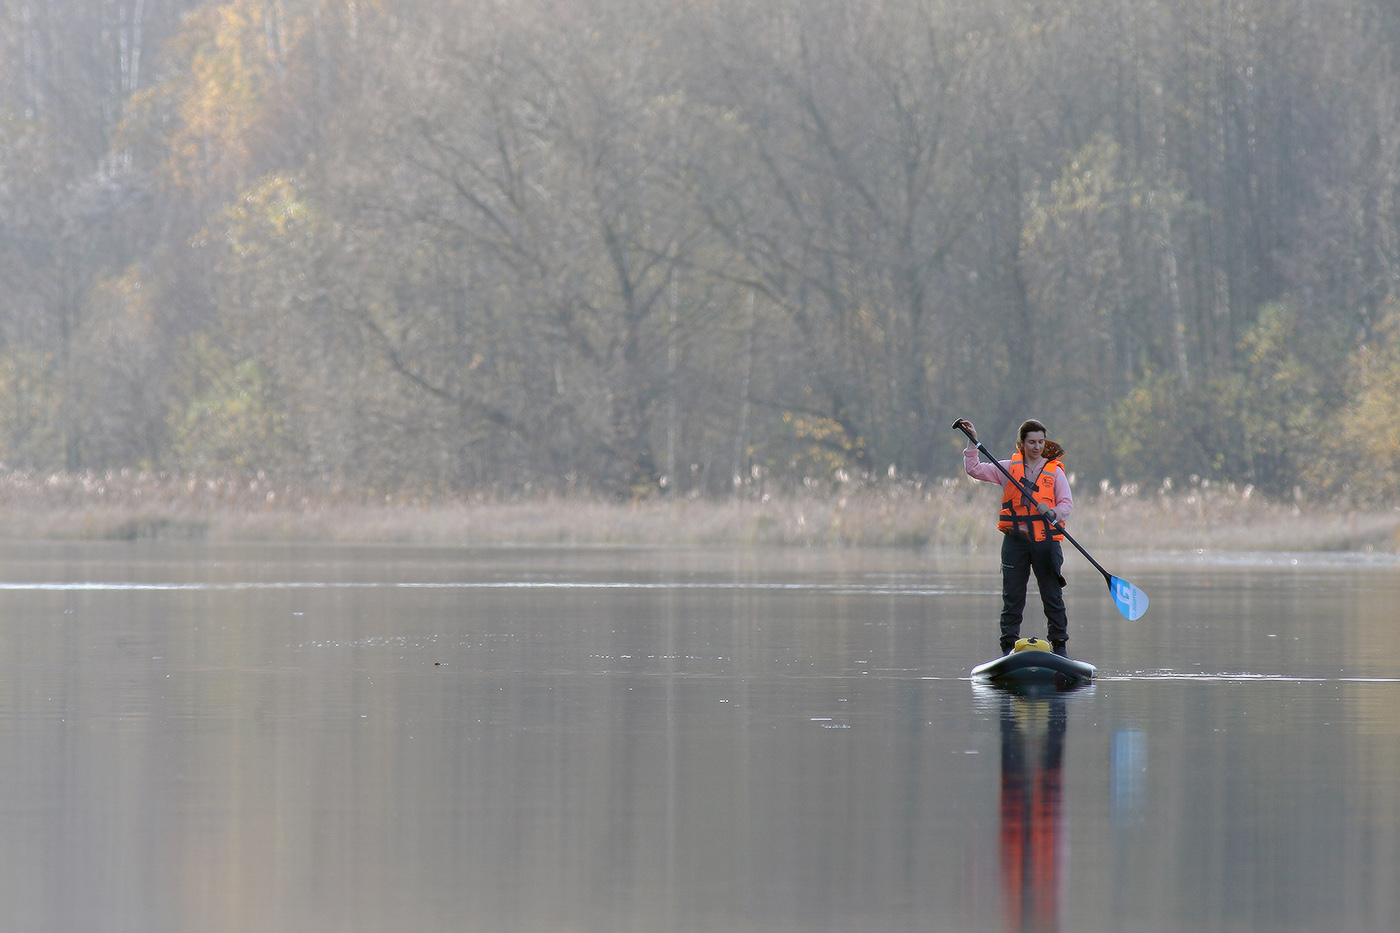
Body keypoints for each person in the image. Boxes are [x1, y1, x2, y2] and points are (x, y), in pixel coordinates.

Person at [959, 419, 1074, 656]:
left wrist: (1052, 511)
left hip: (1045, 542)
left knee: (1052, 596)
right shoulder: (1007, 468)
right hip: (1015, 541)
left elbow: (1066, 505)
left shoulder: (1054, 472)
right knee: (1012, 597)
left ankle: (1059, 645)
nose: (1037, 447)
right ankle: (1007, 647)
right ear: (1022, 443)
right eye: (1031, 442)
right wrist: (972, 442)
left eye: (1041, 442)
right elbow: (974, 469)